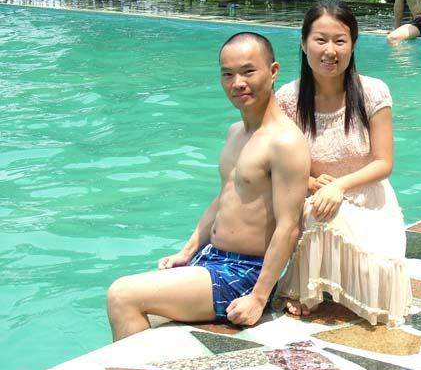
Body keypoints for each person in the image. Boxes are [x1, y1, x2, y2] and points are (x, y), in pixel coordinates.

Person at [106, 32, 310, 341]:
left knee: (122, 296)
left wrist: (257, 298)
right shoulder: (235, 132)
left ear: (273, 72)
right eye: (227, 74)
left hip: (245, 273)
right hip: (212, 259)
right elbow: (224, 198)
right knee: (151, 316)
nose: (237, 83)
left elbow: (288, 227)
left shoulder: (285, 141)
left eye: (248, 71)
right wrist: (187, 251)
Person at [276, 0, 412, 327]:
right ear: (304, 43)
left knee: (380, 287)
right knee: (321, 213)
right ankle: (307, 287)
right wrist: (312, 184)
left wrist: (339, 186)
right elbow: (278, 166)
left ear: (353, 44)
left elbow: (384, 163)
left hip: (368, 198)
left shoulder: (372, 92)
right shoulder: (289, 99)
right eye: (320, 40)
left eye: (340, 40)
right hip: (314, 198)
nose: (330, 50)